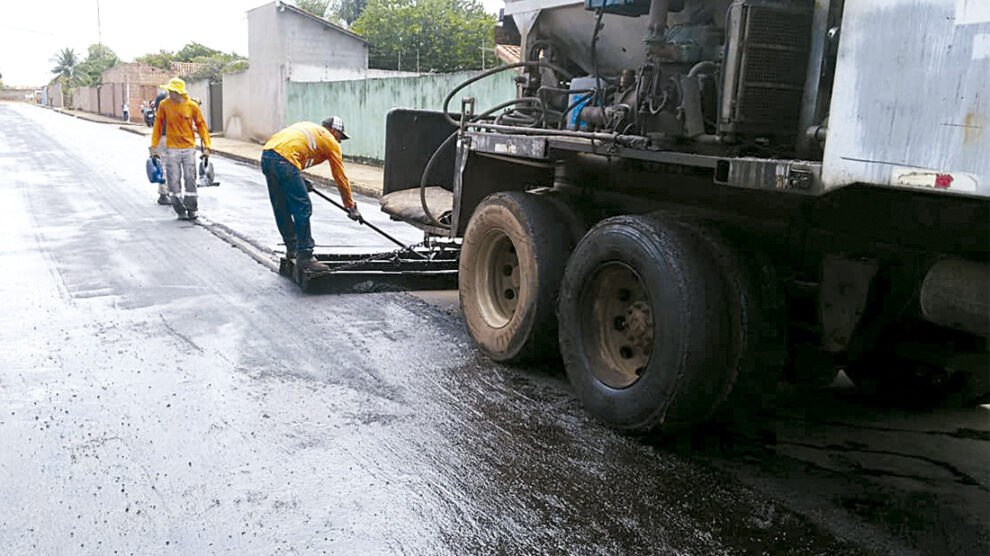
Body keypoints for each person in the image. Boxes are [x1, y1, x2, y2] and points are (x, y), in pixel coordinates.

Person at [261, 117, 361, 272]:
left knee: (281, 207)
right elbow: (340, 177)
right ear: (333, 131)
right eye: (340, 137)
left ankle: (292, 248)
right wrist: (350, 205)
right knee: (303, 207)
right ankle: (305, 255)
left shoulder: (309, 127)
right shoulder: (330, 140)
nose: (339, 142)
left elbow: (291, 149)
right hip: (284, 161)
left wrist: (298, 178)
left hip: (267, 156)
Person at [149, 78, 211, 220]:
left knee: (190, 178)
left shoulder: (192, 106)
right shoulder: (164, 105)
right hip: (171, 149)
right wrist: (154, 146)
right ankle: (179, 209)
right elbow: (158, 125)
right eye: (169, 91)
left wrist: (207, 146)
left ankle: (192, 208)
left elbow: (201, 125)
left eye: (173, 92)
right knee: (173, 179)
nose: (170, 94)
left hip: (188, 148)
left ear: (180, 93)